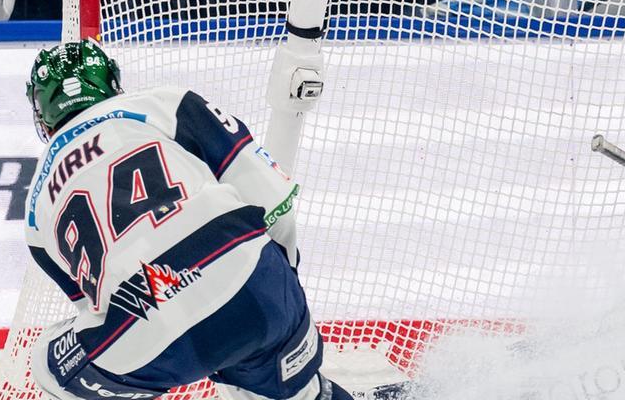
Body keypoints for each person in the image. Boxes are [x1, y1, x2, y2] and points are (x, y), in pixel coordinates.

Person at [22, 40, 375, 400]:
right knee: (290, 390)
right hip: (254, 287)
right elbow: (273, 199)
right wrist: (283, 293)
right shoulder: (165, 104)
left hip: (146, 331)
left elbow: (92, 308)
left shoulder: (34, 209)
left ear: (41, 110)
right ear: (112, 82)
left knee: (46, 363)